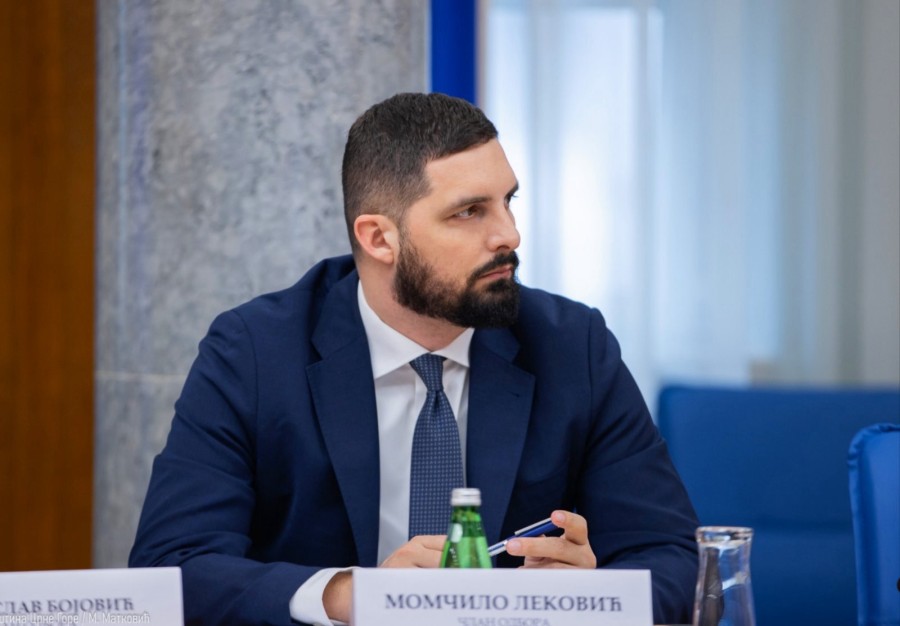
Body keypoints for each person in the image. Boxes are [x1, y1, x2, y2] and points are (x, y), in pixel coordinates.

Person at [129, 92, 699, 625]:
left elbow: (673, 558)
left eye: (508, 201)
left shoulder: (572, 345)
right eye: (469, 212)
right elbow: (173, 565)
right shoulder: (255, 352)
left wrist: (587, 599)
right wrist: (351, 594)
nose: (509, 235)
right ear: (379, 238)